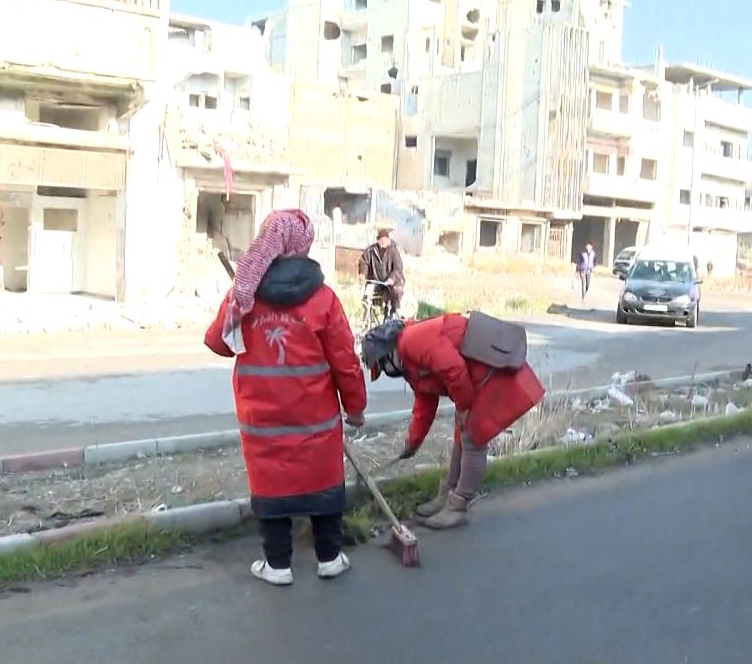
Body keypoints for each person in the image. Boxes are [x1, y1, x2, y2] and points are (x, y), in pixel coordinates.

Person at [204, 209, 367, 586]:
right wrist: (355, 408)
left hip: (263, 420)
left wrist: (237, 307)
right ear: (302, 246)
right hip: (316, 418)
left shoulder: (245, 293)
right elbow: (344, 360)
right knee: (322, 480)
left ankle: (277, 565)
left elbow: (217, 344)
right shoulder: (323, 298)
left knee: (271, 481)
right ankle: (329, 557)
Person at [360, 315, 545, 529]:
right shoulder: (409, 362)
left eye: (381, 367)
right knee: (461, 433)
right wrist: (413, 442)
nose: (385, 372)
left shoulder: (412, 341)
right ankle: (448, 494)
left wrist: (465, 405)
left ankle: (458, 505)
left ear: (388, 354)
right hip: (470, 378)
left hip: (487, 371)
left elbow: (453, 367)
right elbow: (424, 403)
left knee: (473, 438)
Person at [358, 228, 405, 317]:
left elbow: (398, 269)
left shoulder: (394, 251)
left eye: (385, 240)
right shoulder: (371, 250)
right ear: (377, 240)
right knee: (367, 295)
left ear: (389, 240)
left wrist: (391, 279)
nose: (383, 242)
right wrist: (362, 274)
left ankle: (393, 314)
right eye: (381, 240)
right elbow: (364, 262)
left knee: (395, 292)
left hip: (392, 283)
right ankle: (366, 318)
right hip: (377, 281)